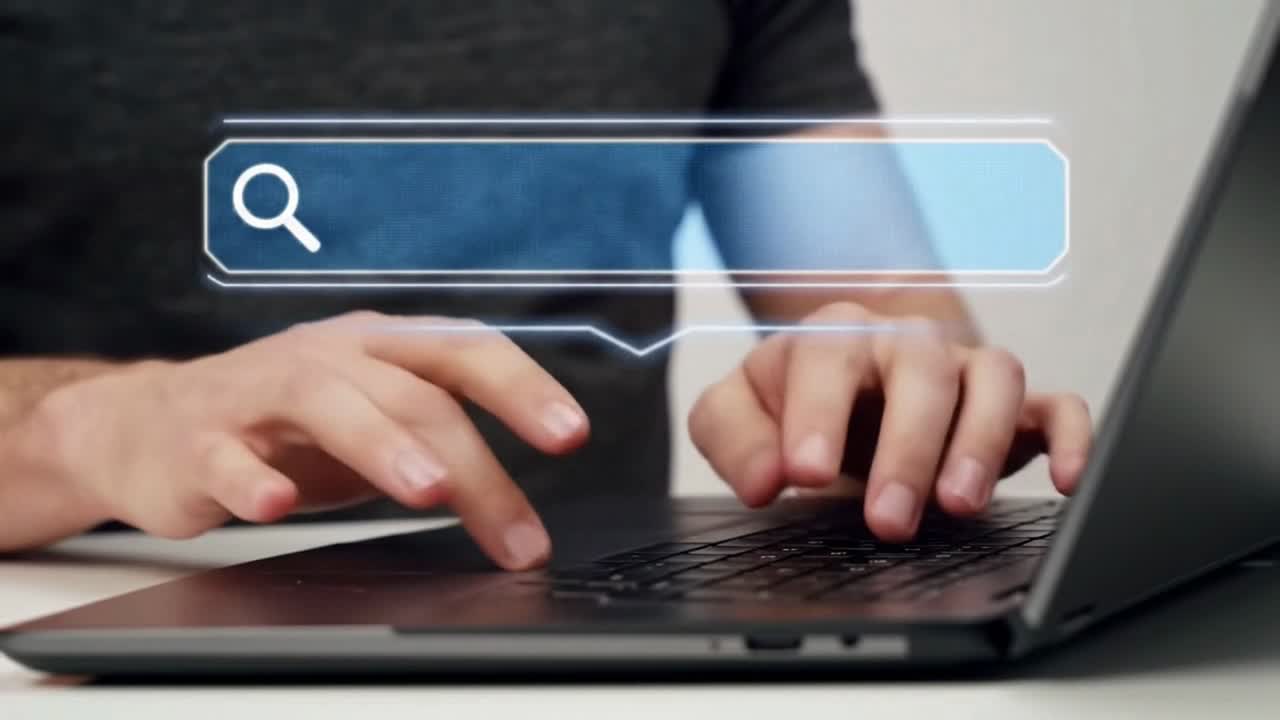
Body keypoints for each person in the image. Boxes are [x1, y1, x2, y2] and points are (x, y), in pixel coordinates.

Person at [0, 1, 1090, 569]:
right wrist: (94, 426)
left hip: (598, 645)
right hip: (93, 625)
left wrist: (884, 395)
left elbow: (880, 304)